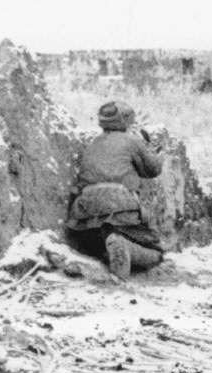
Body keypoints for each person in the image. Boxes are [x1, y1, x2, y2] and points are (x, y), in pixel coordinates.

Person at [66, 101, 165, 279]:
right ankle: (125, 247)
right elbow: (153, 170)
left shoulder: (93, 144)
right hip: (120, 204)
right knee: (156, 252)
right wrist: (152, 150)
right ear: (126, 120)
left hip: (84, 212)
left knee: (100, 245)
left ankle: (115, 247)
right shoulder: (131, 141)